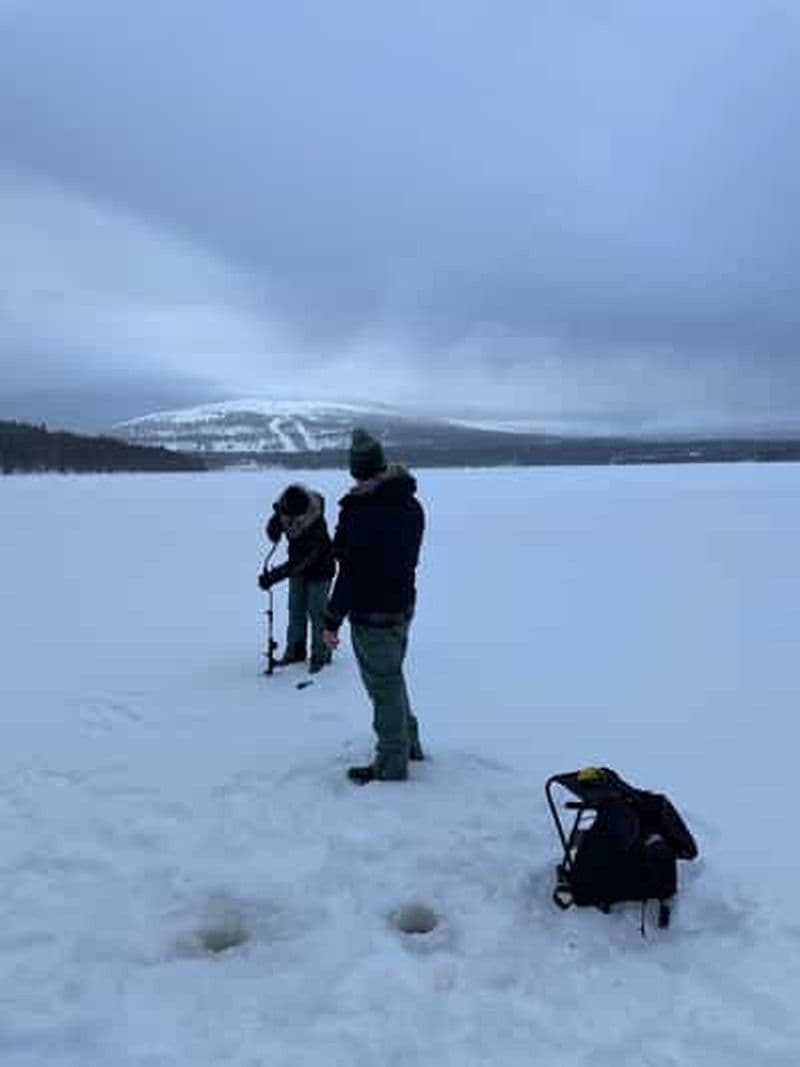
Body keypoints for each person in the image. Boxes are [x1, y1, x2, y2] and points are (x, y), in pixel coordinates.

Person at [322, 428, 425, 784]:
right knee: (392, 677)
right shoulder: (410, 503)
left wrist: (331, 619)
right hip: (402, 605)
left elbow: (350, 572)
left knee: (383, 685)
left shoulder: (361, 512)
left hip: (373, 614)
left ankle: (392, 763)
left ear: (356, 471)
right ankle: (409, 743)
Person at [258, 483, 336, 673]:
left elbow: (301, 561)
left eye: (294, 519)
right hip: (298, 569)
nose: (290, 522)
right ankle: (295, 651)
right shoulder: (285, 507)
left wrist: (273, 577)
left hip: (320, 569)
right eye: (287, 518)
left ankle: (321, 654)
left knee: (317, 612)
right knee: (296, 609)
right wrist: (274, 528)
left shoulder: (316, 525)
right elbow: (273, 529)